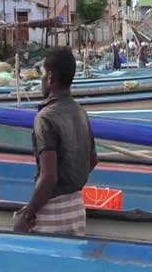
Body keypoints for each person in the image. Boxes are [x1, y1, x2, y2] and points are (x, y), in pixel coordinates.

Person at [13, 47, 97, 235]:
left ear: (50, 77)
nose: (41, 81)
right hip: (76, 208)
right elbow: (92, 160)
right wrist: (70, 184)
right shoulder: (80, 112)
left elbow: (49, 177)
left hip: (53, 212)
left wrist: (27, 215)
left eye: (42, 75)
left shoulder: (45, 117)